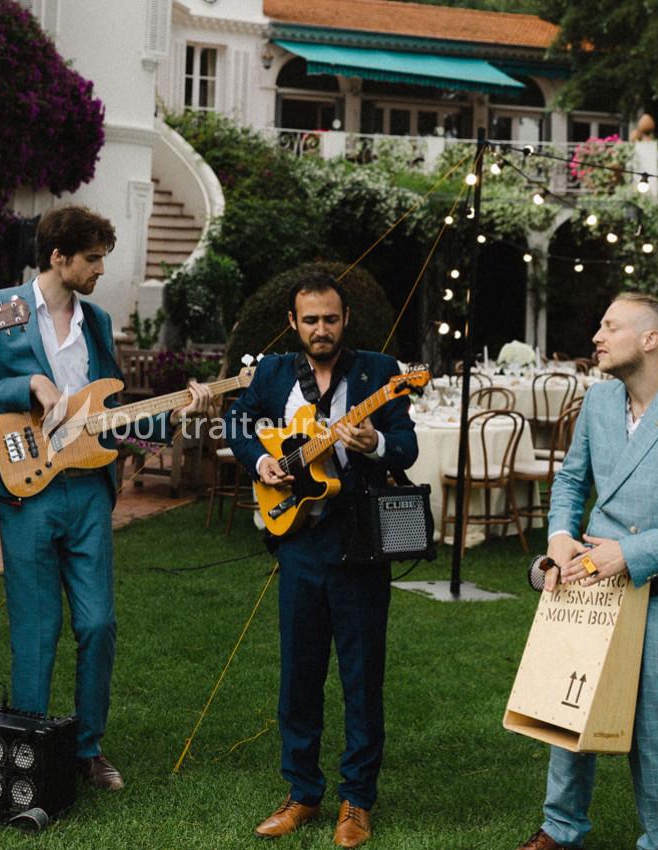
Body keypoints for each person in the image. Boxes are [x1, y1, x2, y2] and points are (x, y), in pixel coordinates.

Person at [0, 204, 209, 792]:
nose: (99, 271)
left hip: (90, 490)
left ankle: (87, 749)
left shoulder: (96, 320)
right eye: (92, 260)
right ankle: (31, 748)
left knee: (99, 625)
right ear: (58, 256)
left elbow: (111, 416)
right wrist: (28, 385)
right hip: (26, 493)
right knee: (36, 630)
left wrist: (174, 415)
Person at [516, 293, 658, 850]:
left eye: (610, 326)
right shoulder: (598, 404)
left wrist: (629, 555)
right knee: (571, 703)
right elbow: (570, 481)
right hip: (593, 583)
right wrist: (561, 536)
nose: (597, 337)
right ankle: (561, 829)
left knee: (652, 720)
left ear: (651, 340)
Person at [223, 269, 418, 849]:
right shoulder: (276, 372)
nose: (321, 329)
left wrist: (375, 444)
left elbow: (405, 443)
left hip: (360, 542)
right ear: (293, 323)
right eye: (310, 320)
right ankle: (302, 792)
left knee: (362, 678)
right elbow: (238, 421)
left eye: (331, 319)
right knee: (298, 675)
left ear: (345, 319)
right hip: (299, 541)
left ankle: (356, 799)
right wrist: (259, 462)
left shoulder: (379, 373)